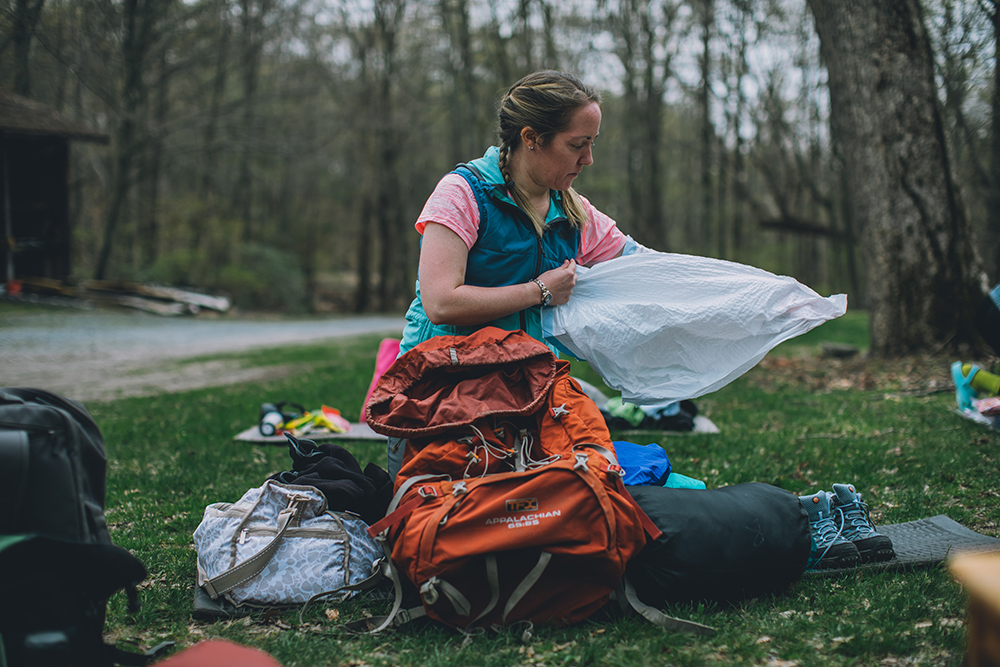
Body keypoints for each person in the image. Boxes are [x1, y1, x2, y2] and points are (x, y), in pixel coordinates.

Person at [388, 70, 638, 478]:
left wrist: (740, 293)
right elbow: (440, 301)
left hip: (525, 394)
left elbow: (642, 265)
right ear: (531, 138)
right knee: (438, 525)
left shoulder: (574, 211)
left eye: (591, 144)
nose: (588, 159)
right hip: (441, 397)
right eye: (578, 144)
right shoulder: (463, 194)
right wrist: (540, 290)